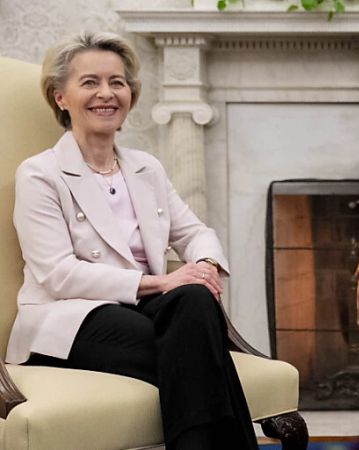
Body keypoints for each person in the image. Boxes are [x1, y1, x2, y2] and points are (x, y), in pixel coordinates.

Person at [6, 31, 258, 450]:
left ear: (130, 95)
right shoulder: (40, 174)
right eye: (90, 82)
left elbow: (195, 233)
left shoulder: (146, 168)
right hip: (69, 318)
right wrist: (164, 282)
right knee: (195, 346)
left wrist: (206, 268)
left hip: (144, 310)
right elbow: (57, 274)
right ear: (60, 97)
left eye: (117, 82)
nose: (106, 93)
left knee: (195, 302)